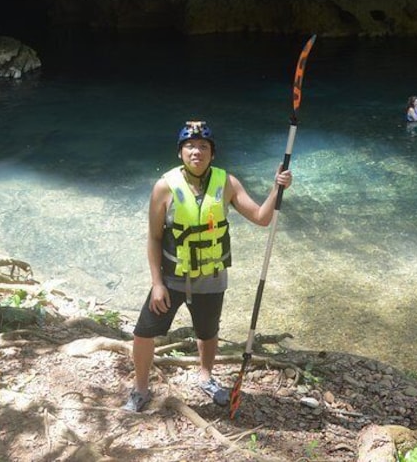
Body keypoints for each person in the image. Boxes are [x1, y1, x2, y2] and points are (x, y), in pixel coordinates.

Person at [124, 120, 293, 412]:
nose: (196, 152)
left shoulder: (226, 183)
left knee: (208, 332)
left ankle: (206, 377)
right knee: (143, 332)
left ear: (212, 154)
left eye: (204, 146)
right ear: (180, 152)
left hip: (212, 277)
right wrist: (156, 284)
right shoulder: (164, 187)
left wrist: (276, 189)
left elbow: (262, 218)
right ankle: (140, 389)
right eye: (190, 146)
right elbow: (153, 238)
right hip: (173, 277)